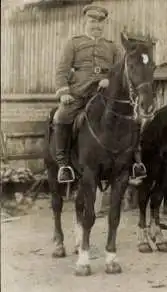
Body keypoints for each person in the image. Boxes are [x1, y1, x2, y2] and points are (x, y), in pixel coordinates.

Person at [53, 4, 146, 184]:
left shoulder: (112, 47)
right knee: (61, 116)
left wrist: (109, 80)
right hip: (79, 93)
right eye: (93, 21)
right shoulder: (73, 43)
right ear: (85, 22)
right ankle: (64, 164)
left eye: (100, 22)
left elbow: (121, 71)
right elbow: (62, 70)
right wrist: (64, 92)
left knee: (135, 119)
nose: (96, 26)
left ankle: (135, 161)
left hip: (106, 95)